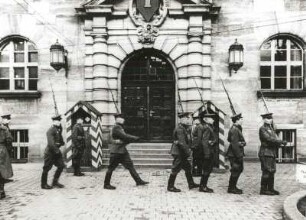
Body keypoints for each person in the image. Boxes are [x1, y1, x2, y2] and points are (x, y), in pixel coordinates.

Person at [104, 113, 149, 190]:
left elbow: (124, 138)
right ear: (117, 119)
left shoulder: (119, 127)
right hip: (116, 152)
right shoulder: (116, 128)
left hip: (122, 151)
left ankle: (138, 181)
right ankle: (106, 184)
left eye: (123, 118)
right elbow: (125, 137)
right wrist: (136, 138)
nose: (123, 120)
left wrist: (132, 139)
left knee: (130, 166)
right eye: (121, 118)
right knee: (111, 168)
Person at [167, 112, 199, 193]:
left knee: (187, 168)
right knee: (175, 168)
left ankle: (191, 184)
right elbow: (182, 143)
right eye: (187, 118)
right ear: (182, 119)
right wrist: (188, 153)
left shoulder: (183, 128)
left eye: (188, 118)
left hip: (181, 152)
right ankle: (170, 186)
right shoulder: (180, 129)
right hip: (179, 152)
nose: (188, 120)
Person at [259, 112, 286, 195]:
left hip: (271, 152)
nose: (269, 120)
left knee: (272, 171)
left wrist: (279, 142)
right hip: (266, 152)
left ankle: (270, 188)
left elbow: (274, 138)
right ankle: (263, 190)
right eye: (267, 118)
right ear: (264, 119)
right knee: (267, 171)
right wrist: (280, 141)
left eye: (270, 118)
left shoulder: (271, 128)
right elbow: (269, 139)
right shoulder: (262, 129)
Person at [41, 115, 65, 189]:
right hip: (50, 152)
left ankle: (55, 182)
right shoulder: (50, 130)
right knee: (46, 168)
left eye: (59, 121)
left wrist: (61, 142)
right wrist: (57, 151)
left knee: (61, 166)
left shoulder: (58, 129)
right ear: (54, 122)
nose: (59, 122)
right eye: (57, 121)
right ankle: (43, 184)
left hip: (56, 151)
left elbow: (60, 138)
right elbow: (51, 144)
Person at [226, 113, 246, 194]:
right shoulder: (235, 129)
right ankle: (231, 188)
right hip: (235, 154)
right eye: (241, 119)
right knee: (236, 170)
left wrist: (239, 143)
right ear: (237, 120)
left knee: (238, 170)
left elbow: (229, 139)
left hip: (234, 153)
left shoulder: (236, 128)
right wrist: (238, 155)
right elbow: (234, 144)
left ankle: (233, 186)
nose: (242, 121)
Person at [198, 112, 217, 193]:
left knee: (207, 169)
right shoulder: (207, 128)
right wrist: (207, 154)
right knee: (207, 169)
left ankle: (202, 185)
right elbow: (204, 141)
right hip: (208, 152)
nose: (213, 120)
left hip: (208, 151)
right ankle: (203, 187)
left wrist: (212, 141)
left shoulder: (208, 127)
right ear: (205, 119)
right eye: (211, 118)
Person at [0, 114, 13, 199]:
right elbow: (9, 140)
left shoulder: (4, 128)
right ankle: (1, 192)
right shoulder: (4, 129)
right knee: (2, 171)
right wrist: (8, 150)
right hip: (2, 150)